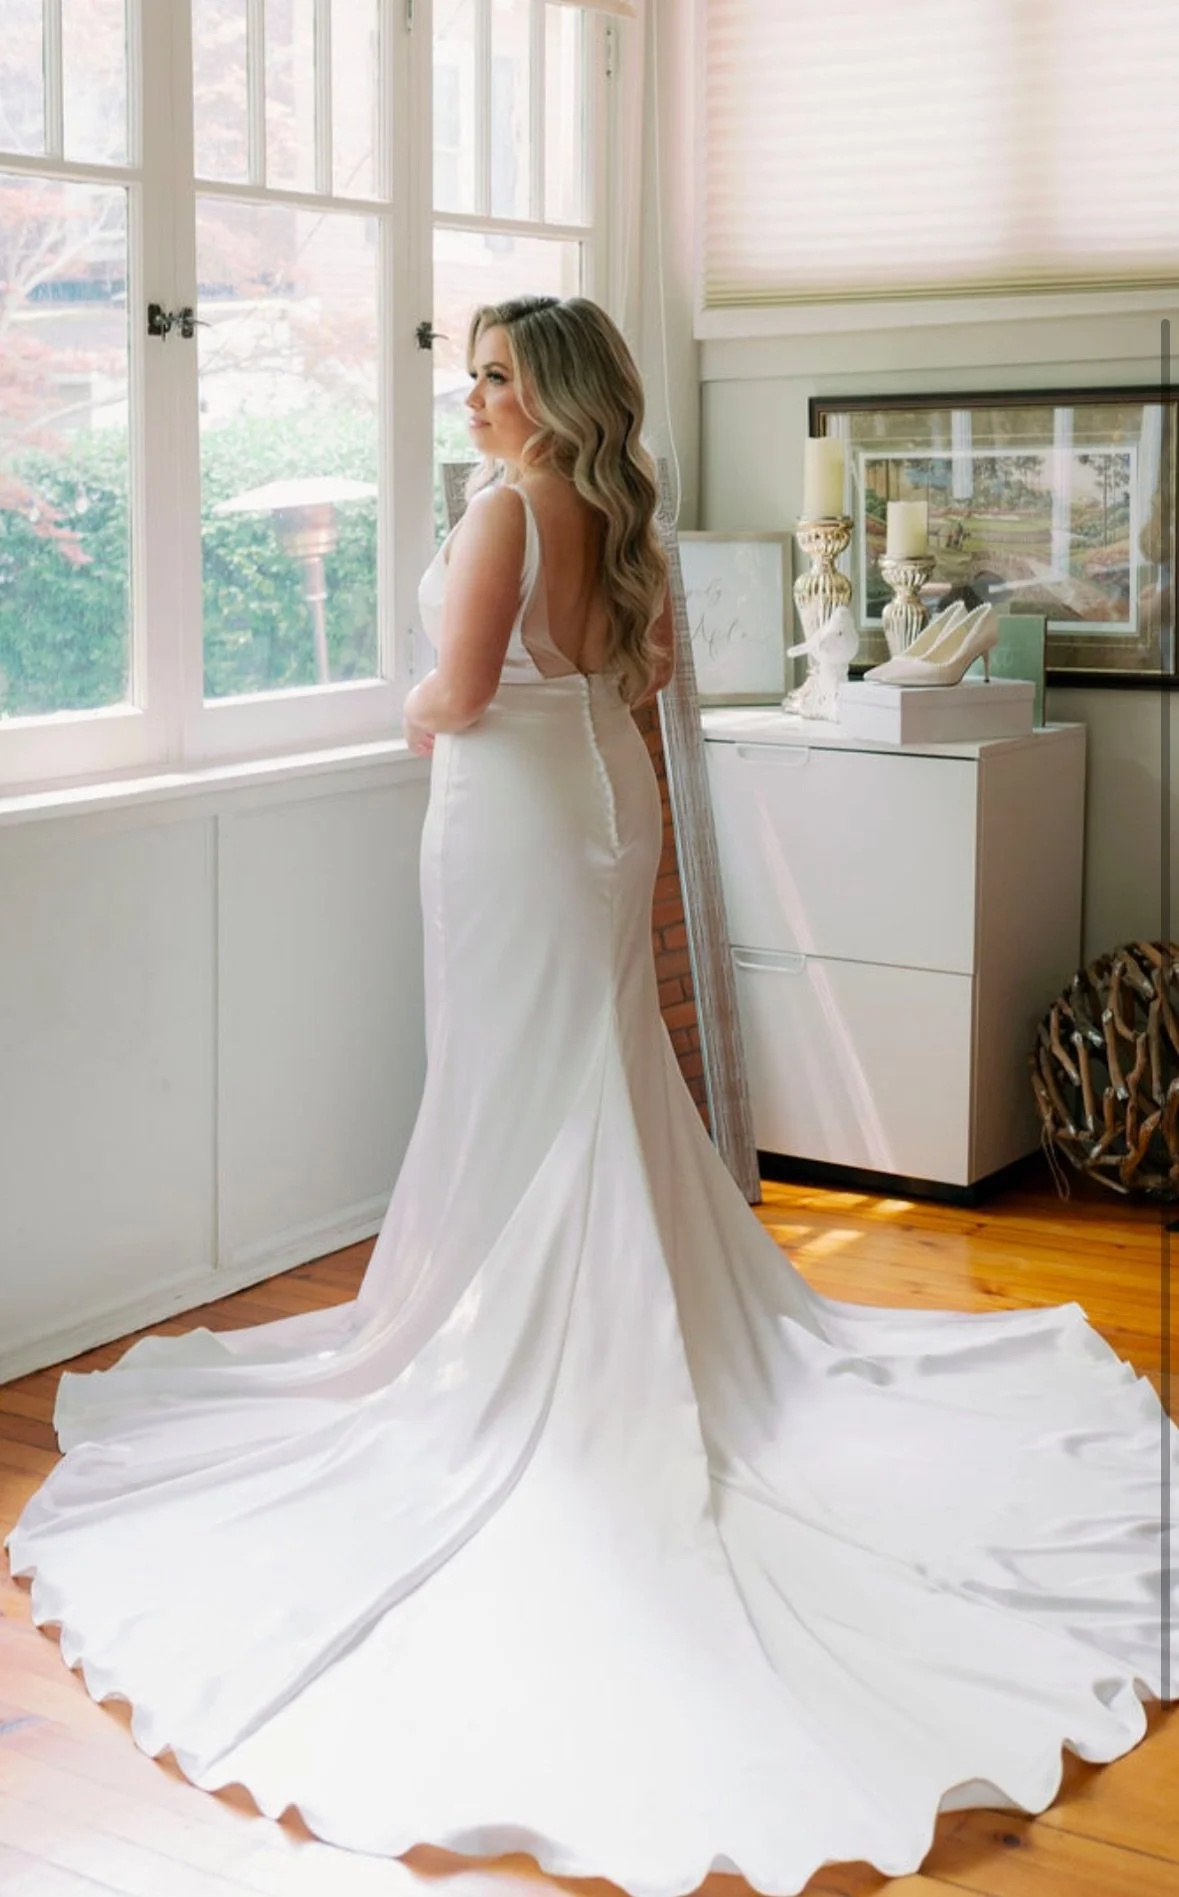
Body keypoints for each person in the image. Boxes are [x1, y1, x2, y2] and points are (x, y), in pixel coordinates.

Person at [5, 294, 1176, 1896]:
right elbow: (640, 690)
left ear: (552, 395)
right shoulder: (621, 515)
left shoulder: (504, 513)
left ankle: (532, 1349)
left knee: (520, 1074)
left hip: (512, 820)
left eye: (495, 375)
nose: (472, 397)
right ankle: (574, 1314)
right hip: (595, 813)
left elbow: (465, 692)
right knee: (583, 1068)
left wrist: (406, 705)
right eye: (469, 372)